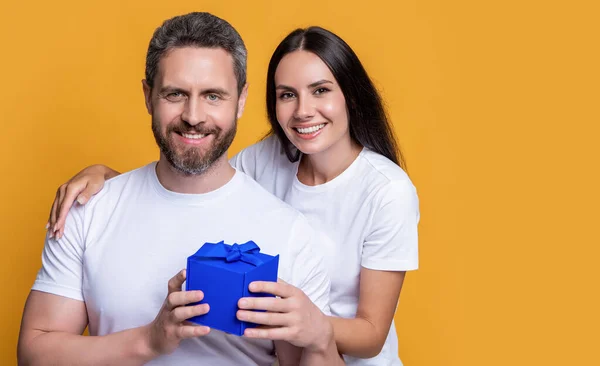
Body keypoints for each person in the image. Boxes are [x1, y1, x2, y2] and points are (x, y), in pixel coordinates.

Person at [46, 25, 420, 365]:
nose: (304, 111)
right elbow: (196, 174)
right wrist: (112, 185)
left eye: (320, 90)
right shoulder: (263, 160)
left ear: (350, 96)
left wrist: (311, 325)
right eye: (287, 94)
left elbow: (372, 336)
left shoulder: (388, 192)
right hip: (287, 344)